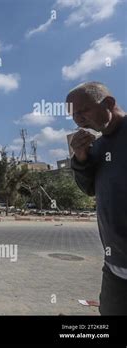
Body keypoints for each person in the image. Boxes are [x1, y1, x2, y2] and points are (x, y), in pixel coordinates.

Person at [67, 81, 127, 315]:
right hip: (115, 269)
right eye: (73, 115)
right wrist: (80, 160)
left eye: (83, 111)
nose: (79, 120)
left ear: (109, 103)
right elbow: (89, 189)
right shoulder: (98, 147)